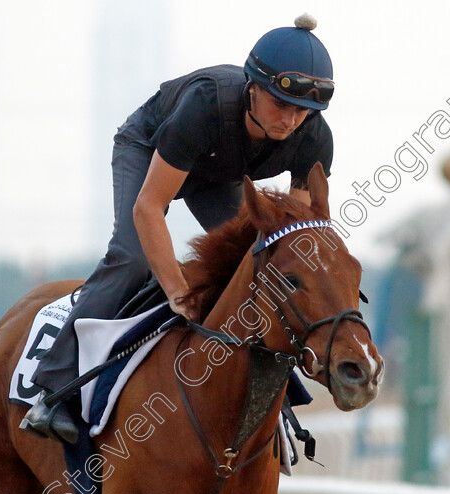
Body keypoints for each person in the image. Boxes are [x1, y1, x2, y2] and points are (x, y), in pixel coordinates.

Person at [21, 14, 336, 442]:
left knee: (257, 265)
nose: (291, 121)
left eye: (303, 111)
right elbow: (149, 208)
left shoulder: (314, 136)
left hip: (218, 172)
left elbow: (292, 240)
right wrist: (175, 289)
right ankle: (53, 389)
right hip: (149, 146)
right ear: (252, 88)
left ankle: (267, 399)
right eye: (281, 105)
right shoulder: (204, 106)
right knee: (133, 258)